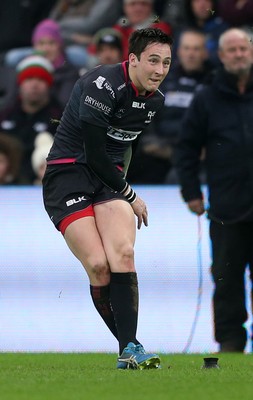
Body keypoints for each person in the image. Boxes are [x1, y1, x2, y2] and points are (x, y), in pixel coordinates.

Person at [42, 27, 172, 368]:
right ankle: (130, 344)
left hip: (108, 178)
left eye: (167, 63)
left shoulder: (155, 102)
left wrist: (121, 187)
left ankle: (129, 350)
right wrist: (131, 196)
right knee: (99, 267)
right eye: (153, 61)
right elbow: (95, 155)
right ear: (132, 60)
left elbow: (124, 148)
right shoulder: (102, 85)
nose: (160, 70)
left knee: (124, 255)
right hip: (68, 174)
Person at [176, 28, 253, 352]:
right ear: (220, 56)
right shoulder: (206, 98)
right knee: (226, 280)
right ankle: (231, 343)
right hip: (226, 208)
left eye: (243, 49)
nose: (238, 54)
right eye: (231, 50)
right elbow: (186, 148)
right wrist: (191, 191)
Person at [127, 29, 212, 184]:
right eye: (186, 48)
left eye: (196, 49)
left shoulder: (214, 83)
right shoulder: (162, 78)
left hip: (199, 153)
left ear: (206, 53)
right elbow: (146, 114)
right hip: (162, 149)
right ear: (179, 52)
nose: (190, 54)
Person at [0, 55, 63, 184]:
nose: (34, 84)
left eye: (40, 79)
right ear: (20, 84)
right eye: (29, 79)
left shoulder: (61, 117)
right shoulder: (5, 115)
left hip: (45, 183)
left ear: (49, 84)